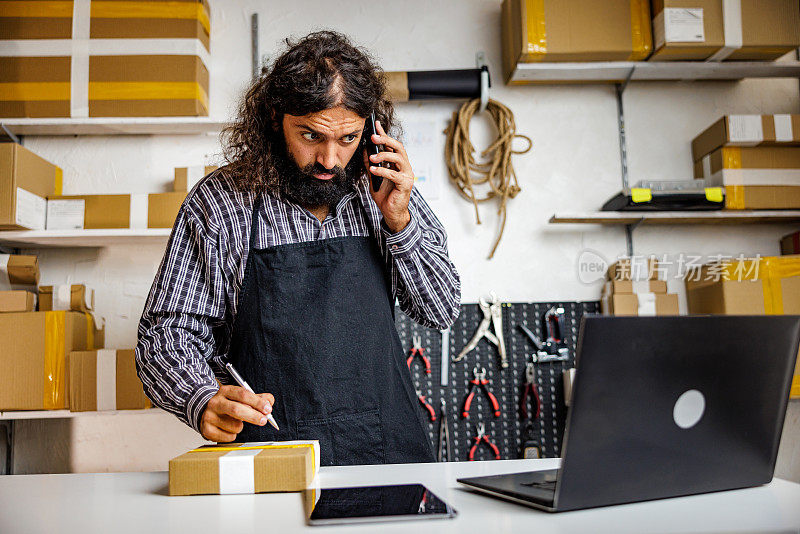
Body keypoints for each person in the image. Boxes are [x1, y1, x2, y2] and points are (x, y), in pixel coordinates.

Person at [135, 31, 461, 466]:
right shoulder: (221, 202)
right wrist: (201, 397)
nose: (329, 159)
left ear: (369, 130)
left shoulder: (383, 192)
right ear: (275, 119)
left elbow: (440, 310)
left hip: (385, 452)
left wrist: (399, 222)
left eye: (348, 139)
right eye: (310, 136)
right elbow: (163, 335)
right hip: (271, 457)